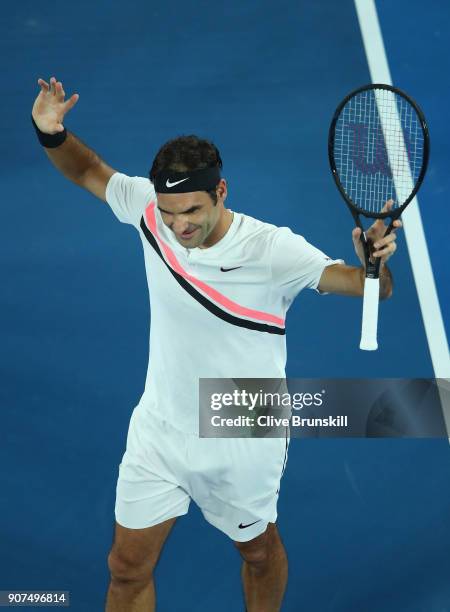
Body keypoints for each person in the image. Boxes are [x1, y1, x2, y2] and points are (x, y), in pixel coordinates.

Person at [31, 76, 402, 612]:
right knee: (125, 567)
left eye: (193, 212)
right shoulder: (149, 211)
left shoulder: (273, 249)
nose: (178, 225)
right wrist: (50, 132)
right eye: (169, 212)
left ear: (221, 192)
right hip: (160, 423)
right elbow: (90, 170)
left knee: (257, 552)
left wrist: (374, 264)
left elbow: (366, 286)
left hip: (241, 424)